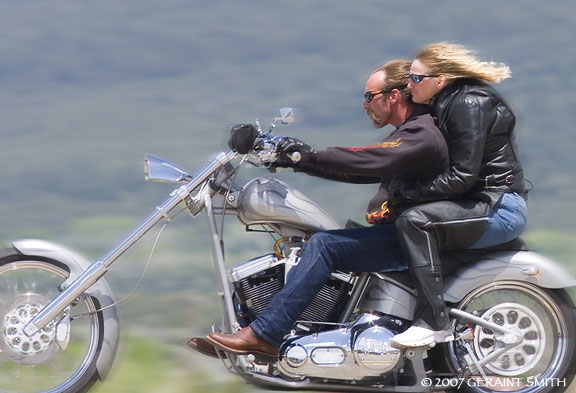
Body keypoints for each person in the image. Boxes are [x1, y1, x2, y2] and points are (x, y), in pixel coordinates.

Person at [189, 58, 449, 357]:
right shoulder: (409, 133)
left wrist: (307, 156)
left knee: (326, 246)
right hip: (402, 234)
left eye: (369, 97)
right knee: (316, 239)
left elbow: (367, 159)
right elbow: (358, 170)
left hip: (411, 241)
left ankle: (266, 334)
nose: (365, 106)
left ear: (393, 96)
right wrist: (296, 162)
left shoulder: (421, 134)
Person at [388, 43, 528, 349]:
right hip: (475, 204)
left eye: (415, 79)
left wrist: (408, 195)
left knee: (415, 222)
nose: (408, 85)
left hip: (498, 206)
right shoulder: (443, 102)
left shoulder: (468, 103)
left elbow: (463, 176)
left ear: (440, 80)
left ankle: (433, 324)